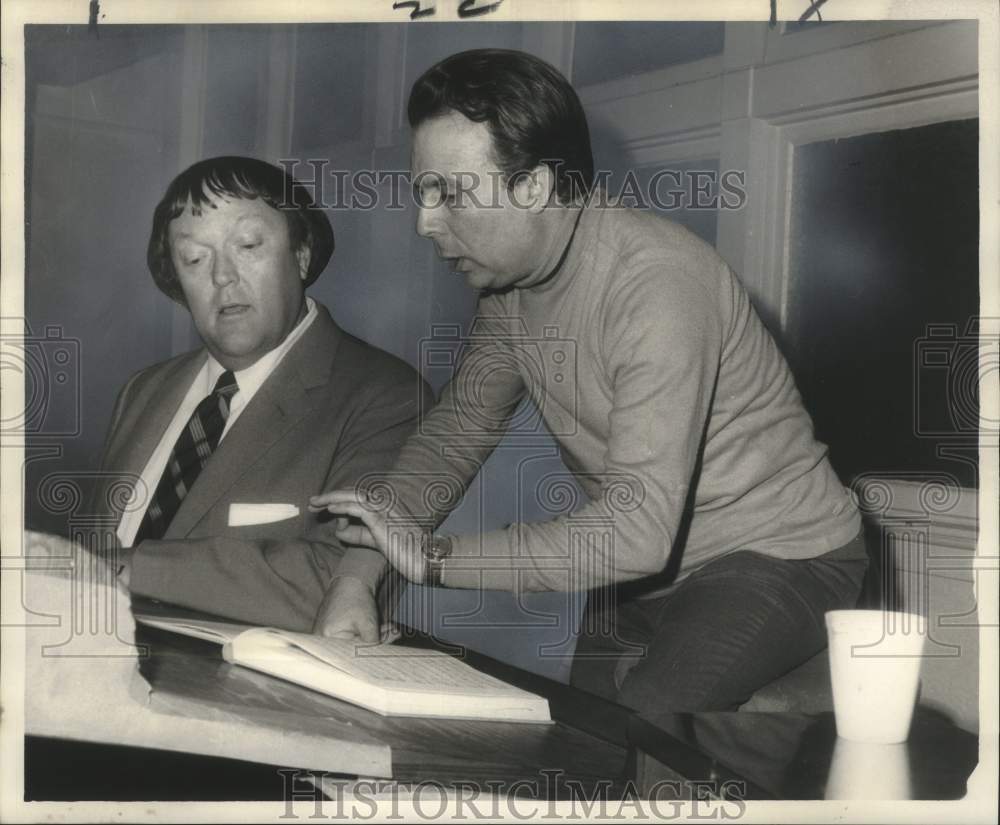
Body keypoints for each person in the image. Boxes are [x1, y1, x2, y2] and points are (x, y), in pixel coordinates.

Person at [311, 49, 868, 713]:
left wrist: (432, 557)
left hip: (781, 553)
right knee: (580, 737)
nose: (424, 222)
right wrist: (357, 575)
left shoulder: (657, 282)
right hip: (653, 565)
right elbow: (453, 437)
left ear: (537, 187)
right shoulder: (508, 291)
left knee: (643, 732)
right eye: (423, 193)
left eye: (451, 194)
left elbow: (634, 532)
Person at [28, 156, 428, 638]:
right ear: (178, 282)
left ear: (301, 255)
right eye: (195, 258)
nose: (222, 276)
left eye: (248, 245)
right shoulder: (143, 390)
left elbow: (335, 583)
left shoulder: (387, 395)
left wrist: (123, 569)